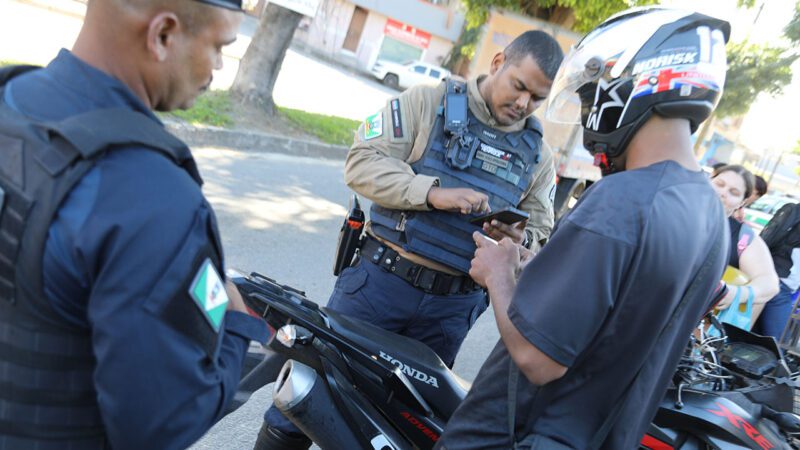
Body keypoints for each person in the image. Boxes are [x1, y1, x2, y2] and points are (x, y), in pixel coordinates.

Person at [436, 8, 731, 449]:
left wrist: (498, 275)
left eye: (593, 95)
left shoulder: (622, 199)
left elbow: (538, 359)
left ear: (634, 87)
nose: (590, 113)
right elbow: (621, 315)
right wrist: (545, 275)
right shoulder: (710, 214)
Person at [257, 30, 564, 448]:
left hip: (450, 311)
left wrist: (519, 238)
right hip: (378, 287)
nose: (524, 104)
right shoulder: (428, 102)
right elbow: (361, 161)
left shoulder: (538, 155)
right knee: (305, 399)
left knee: (403, 428)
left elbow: (543, 233)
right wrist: (432, 193)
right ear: (497, 64)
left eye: (537, 98)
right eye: (519, 86)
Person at [0, 1, 268, 449]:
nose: (219, 66)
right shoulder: (153, 199)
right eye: (220, 46)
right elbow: (162, 427)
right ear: (163, 34)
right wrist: (237, 327)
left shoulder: (10, 94)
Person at [710, 165, 779, 323]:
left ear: (741, 202)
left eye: (734, 192)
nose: (722, 193)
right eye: (719, 184)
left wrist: (735, 294)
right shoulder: (676, 212)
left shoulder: (743, 237)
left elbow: (770, 284)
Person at [753, 201, 800, 339]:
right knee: (777, 343)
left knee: (760, 338)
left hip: (780, 284)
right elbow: (766, 240)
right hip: (778, 283)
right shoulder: (793, 211)